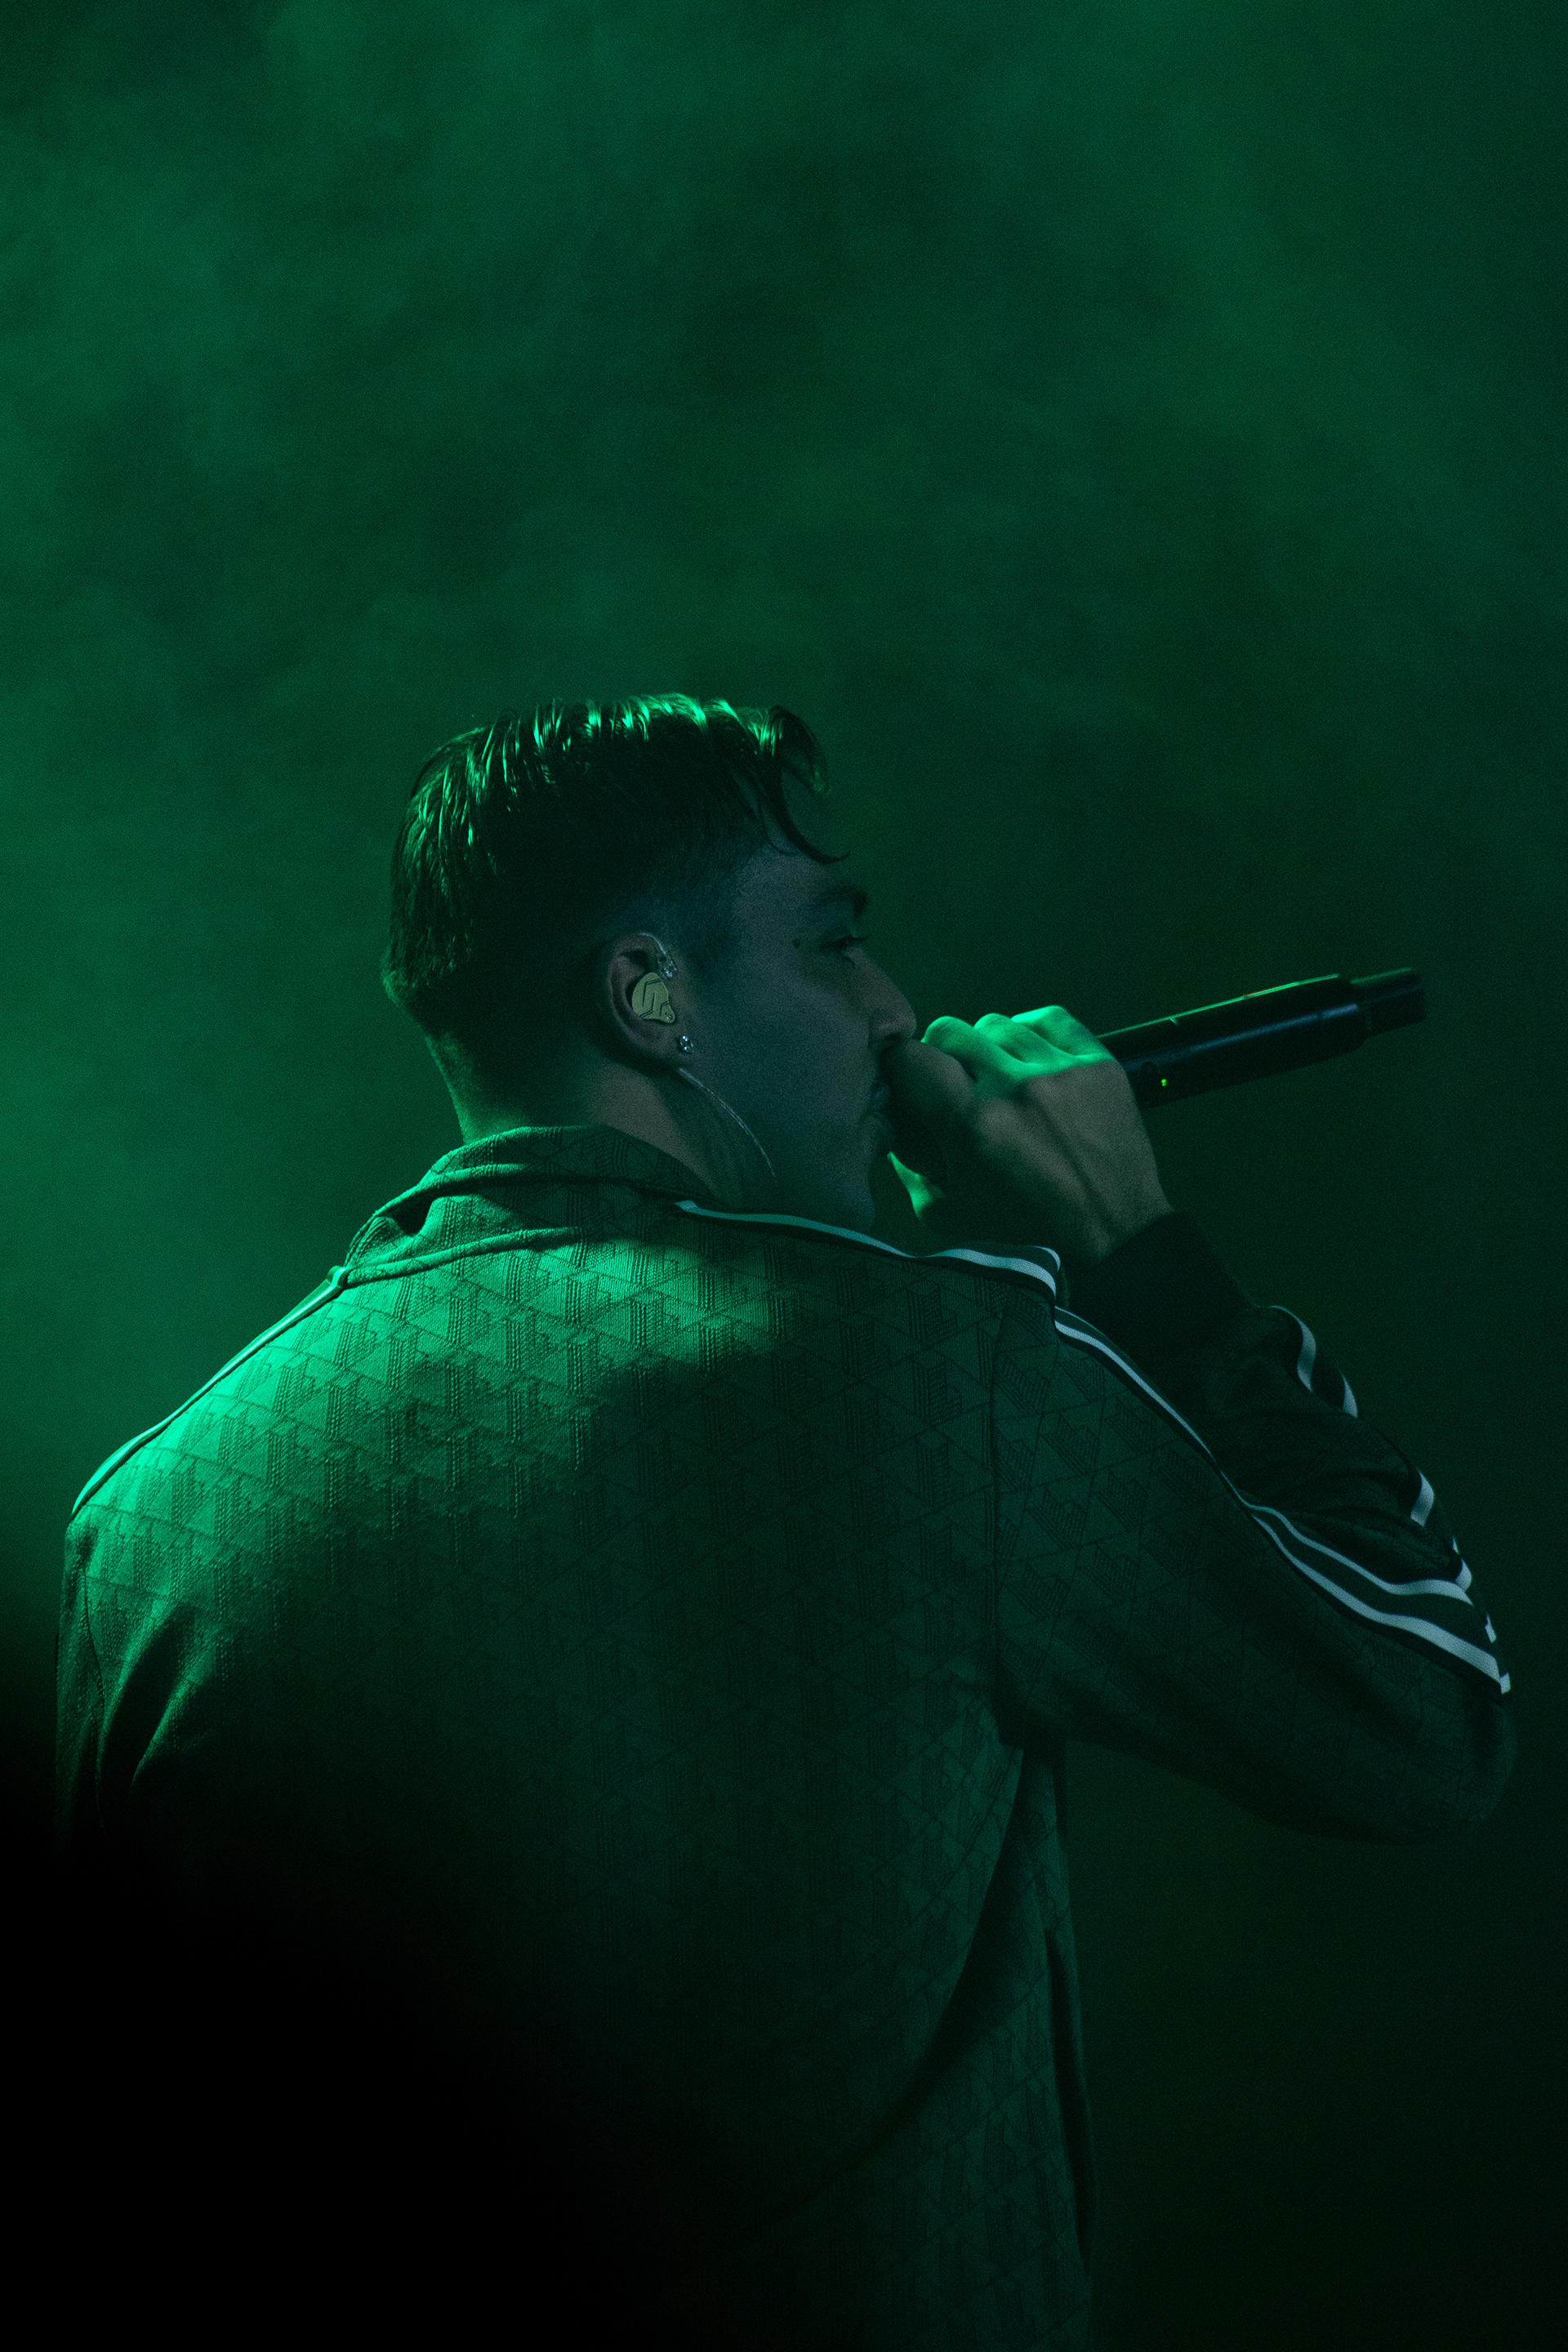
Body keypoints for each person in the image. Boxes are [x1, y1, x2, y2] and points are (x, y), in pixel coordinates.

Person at [56, 696, 1514, 2348]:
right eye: (834, 942)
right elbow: (1426, 1717)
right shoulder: (932, 1374)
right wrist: (1132, 1247)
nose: (894, 1013)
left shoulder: (155, 1514)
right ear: (648, 996)